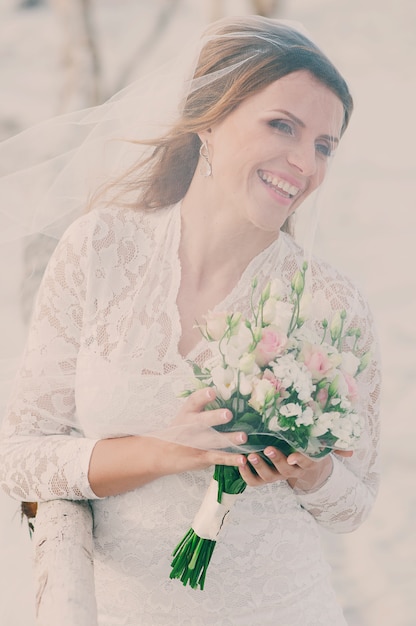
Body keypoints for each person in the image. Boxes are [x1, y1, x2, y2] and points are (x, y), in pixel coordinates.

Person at [0, 15, 380, 626]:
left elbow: (354, 505)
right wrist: (165, 451)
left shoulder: (333, 303)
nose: (303, 162)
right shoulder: (100, 249)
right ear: (209, 118)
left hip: (284, 608)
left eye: (323, 145)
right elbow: (19, 456)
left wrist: (314, 471)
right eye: (281, 125)